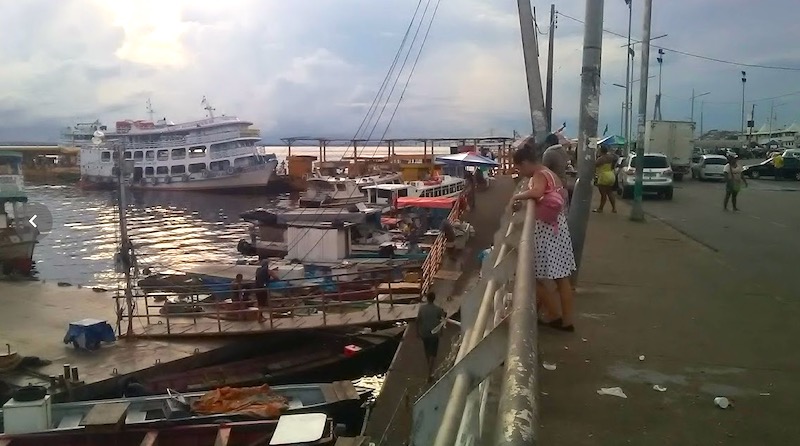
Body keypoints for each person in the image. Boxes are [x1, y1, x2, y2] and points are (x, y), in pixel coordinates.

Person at [512, 138, 577, 332]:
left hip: (548, 231)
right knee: (562, 278)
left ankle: (555, 315)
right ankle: (566, 320)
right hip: (559, 228)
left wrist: (518, 196)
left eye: (519, 169)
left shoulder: (539, 174)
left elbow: (537, 192)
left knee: (532, 277)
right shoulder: (551, 174)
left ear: (525, 163)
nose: (520, 173)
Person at [417, 291, 446, 379]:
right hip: (434, 333)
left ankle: (429, 366)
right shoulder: (438, 309)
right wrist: (441, 332)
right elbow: (442, 320)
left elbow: (418, 320)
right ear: (434, 299)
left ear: (427, 298)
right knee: (433, 352)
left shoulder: (422, 308)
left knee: (427, 350)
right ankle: (429, 373)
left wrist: (417, 332)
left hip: (424, 332)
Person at [542, 133, 571, 207]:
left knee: (554, 206)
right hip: (563, 181)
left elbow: (543, 170)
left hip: (553, 185)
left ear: (548, 143)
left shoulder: (549, 153)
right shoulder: (562, 150)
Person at [593, 145, 617, 213]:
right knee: (610, 192)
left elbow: (594, 165)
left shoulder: (601, 159)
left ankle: (600, 209)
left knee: (603, 194)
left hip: (604, 176)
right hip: (611, 175)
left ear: (601, 151)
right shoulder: (611, 157)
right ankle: (614, 208)